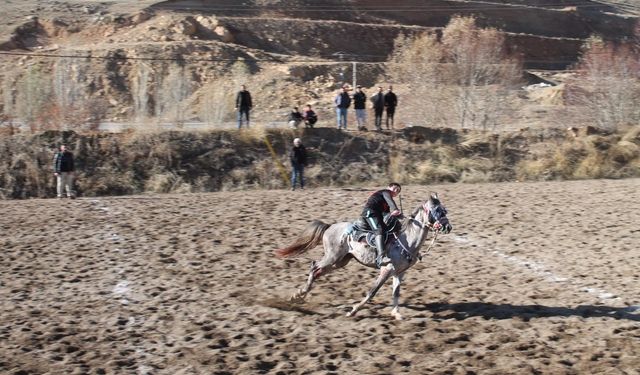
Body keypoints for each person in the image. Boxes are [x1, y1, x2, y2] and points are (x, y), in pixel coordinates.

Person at [360, 182, 402, 268]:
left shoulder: (386, 204)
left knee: (389, 229)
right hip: (370, 213)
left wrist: (398, 216)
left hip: (377, 216)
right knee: (379, 230)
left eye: (397, 191)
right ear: (388, 187)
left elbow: (387, 214)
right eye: (394, 188)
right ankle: (381, 257)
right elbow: (390, 201)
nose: (395, 191)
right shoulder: (385, 192)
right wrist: (395, 209)